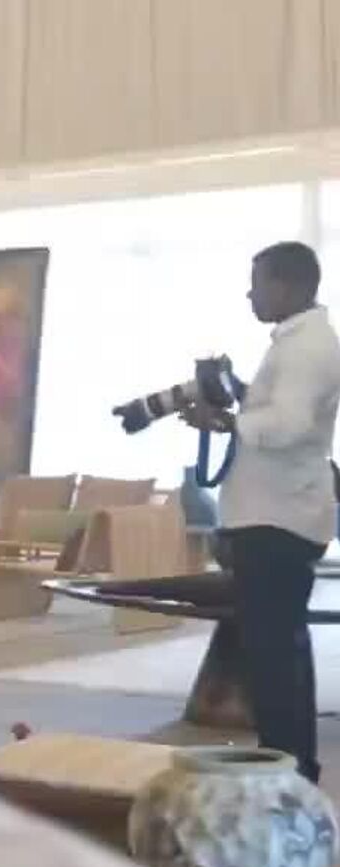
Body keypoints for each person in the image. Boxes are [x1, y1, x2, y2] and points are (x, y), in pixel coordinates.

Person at [185, 241, 340, 782]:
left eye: (258, 284)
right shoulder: (302, 342)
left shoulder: (306, 348)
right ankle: (292, 764)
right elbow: (285, 410)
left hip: (278, 518)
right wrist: (240, 392)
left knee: (273, 654)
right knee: (281, 649)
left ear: (288, 285)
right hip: (277, 511)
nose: (250, 294)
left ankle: (286, 767)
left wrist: (227, 422)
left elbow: (290, 425)